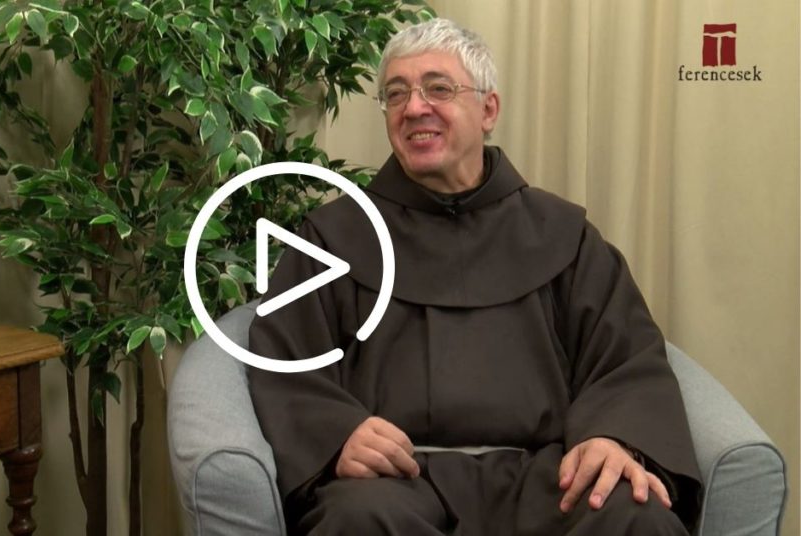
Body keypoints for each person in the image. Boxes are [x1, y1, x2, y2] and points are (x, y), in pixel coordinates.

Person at [246, 17, 702, 536]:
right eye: (396, 94)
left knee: (635, 516)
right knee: (356, 519)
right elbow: (283, 358)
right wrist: (338, 433)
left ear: (489, 110)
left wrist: (613, 435)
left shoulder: (564, 235)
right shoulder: (332, 237)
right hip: (393, 481)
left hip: (548, 477)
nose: (414, 108)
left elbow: (626, 357)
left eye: (438, 88)